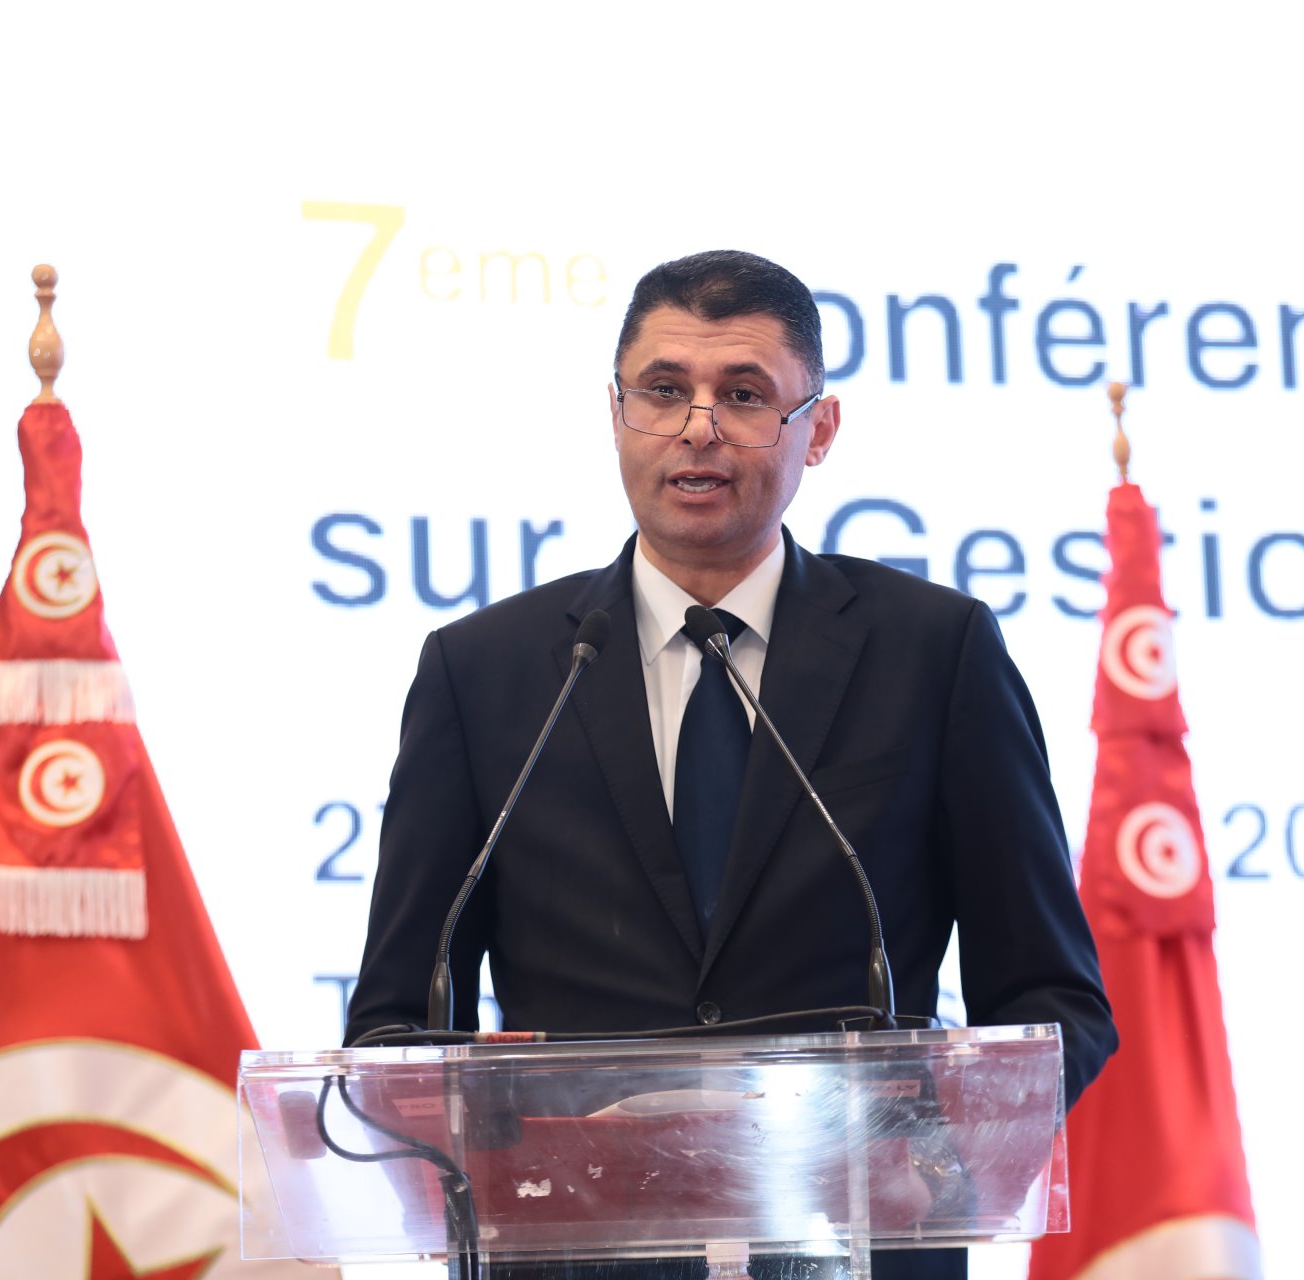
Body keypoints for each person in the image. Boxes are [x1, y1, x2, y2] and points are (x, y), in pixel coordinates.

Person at [347, 250, 1116, 1279]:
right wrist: (487, 1159)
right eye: (664, 390)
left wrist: (931, 1161)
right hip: (574, 1260)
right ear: (616, 412)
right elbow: (397, 1018)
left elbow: (1053, 1001)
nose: (698, 427)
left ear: (819, 429)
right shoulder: (483, 672)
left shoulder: (935, 654)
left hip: (853, 1252)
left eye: (744, 395)